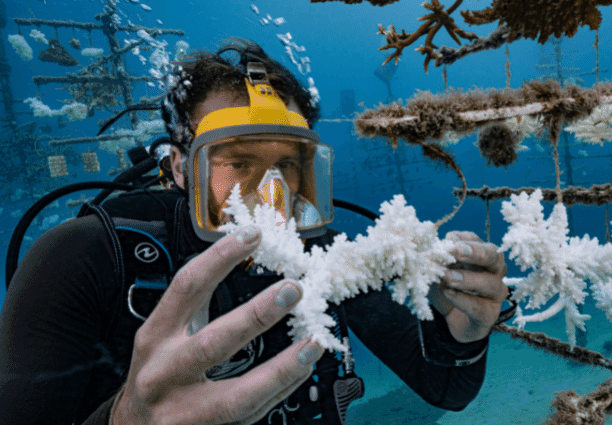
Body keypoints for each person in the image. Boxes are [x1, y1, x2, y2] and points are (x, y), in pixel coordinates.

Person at [0, 39, 509, 425]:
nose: (270, 195)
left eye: (288, 165)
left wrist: (464, 336)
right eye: (237, 161)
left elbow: (447, 389)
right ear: (180, 167)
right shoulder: (82, 256)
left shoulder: (327, 259)